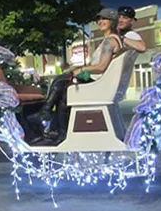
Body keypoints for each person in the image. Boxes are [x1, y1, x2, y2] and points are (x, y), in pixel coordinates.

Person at [38, 8, 136, 143]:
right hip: (102, 82)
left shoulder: (110, 41)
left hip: (99, 83)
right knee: (62, 84)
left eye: (104, 19)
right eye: (99, 19)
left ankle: (49, 118)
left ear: (112, 22)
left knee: (61, 83)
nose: (100, 21)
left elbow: (101, 67)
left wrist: (80, 70)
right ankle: (51, 121)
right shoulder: (113, 40)